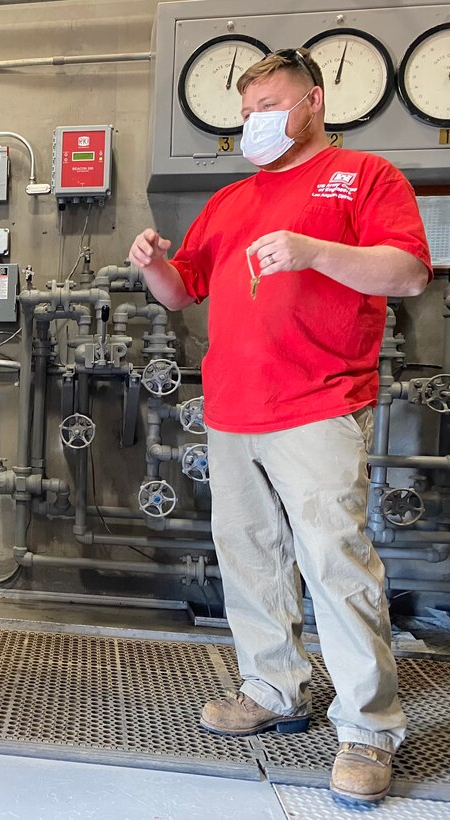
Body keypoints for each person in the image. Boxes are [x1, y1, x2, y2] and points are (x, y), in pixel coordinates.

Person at [129, 47, 431, 806]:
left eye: (265, 107)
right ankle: (271, 689)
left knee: (335, 565)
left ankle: (365, 730)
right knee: (250, 561)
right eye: (245, 111)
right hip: (233, 412)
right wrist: (152, 265)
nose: (252, 124)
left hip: (319, 406)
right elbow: (179, 292)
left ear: (311, 103)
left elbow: (406, 273)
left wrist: (312, 250)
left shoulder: (364, 178)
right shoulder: (231, 201)